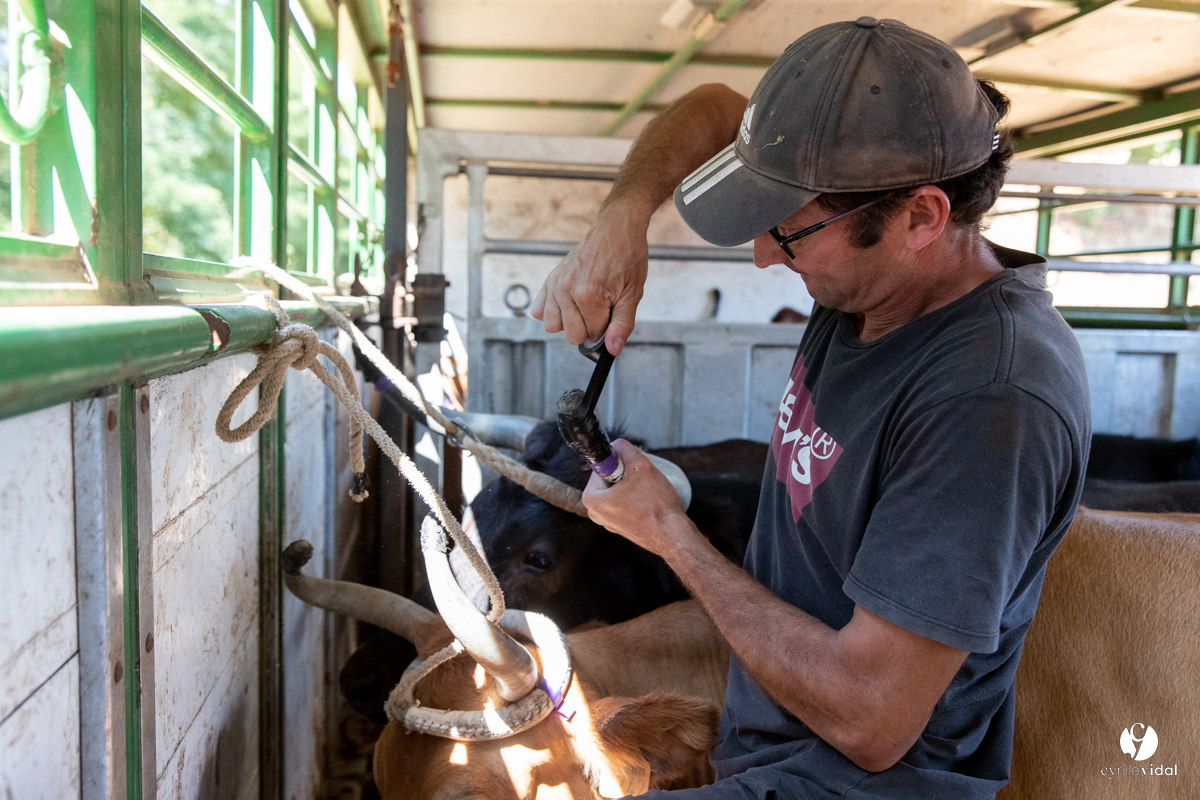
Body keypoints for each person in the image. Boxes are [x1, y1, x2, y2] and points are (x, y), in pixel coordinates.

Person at [531, 17, 1091, 800]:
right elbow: (717, 107)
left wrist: (671, 536)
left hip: (853, 780)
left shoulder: (990, 398)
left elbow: (871, 722)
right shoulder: (878, 282)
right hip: (767, 736)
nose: (762, 253)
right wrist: (623, 220)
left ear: (922, 217)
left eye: (789, 231)